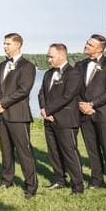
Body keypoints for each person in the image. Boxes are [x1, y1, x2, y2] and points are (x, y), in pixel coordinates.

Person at [0, 33, 38, 199]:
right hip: (1, 115)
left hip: (18, 115)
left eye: (8, 44)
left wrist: (2, 103)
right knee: (6, 150)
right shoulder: (0, 66)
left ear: (18, 45)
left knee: (24, 152)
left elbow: (23, 90)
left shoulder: (28, 67)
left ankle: (31, 186)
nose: (5, 46)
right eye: (4, 43)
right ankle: (6, 180)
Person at [39, 43, 84, 195]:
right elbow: (41, 94)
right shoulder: (47, 74)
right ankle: (59, 179)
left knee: (70, 152)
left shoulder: (74, 73)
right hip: (49, 119)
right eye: (48, 56)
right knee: (54, 152)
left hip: (66, 119)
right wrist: (44, 110)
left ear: (62, 56)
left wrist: (49, 110)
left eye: (51, 56)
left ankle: (77, 186)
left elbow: (67, 96)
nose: (48, 59)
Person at [76, 34, 106, 189]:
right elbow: (73, 89)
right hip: (84, 114)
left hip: (104, 113)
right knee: (92, 148)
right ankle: (97, 180)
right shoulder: (80, 65)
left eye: (90, 44)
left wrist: (92, 104)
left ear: (99, 48)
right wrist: (81, 105)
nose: (86, 45)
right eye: (87, 42)